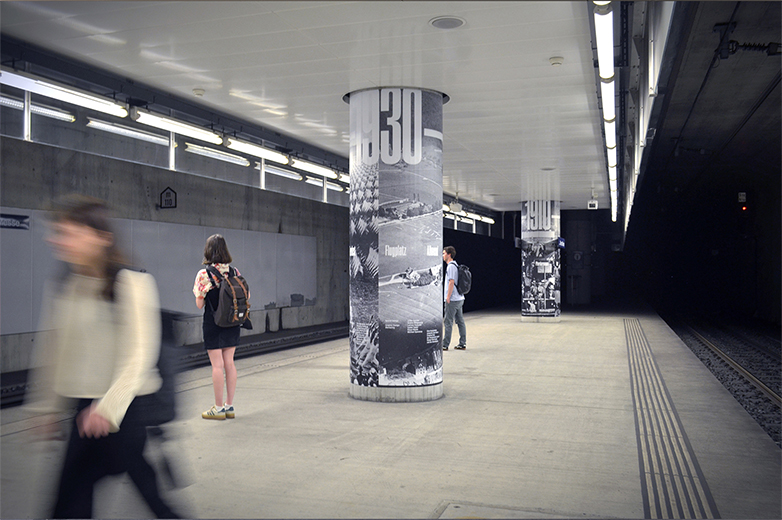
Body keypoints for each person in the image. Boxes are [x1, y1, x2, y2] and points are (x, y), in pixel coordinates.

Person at [28, 194, 179, 518]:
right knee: (76, 499)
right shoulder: (67, 285)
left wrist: (108, 408)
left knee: (77, 497)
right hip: (85, 409)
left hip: (124, 410)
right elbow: (54, 351)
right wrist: (46, 407)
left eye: (68, 233)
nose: (56, 240)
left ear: (101, 237)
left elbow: (139, 355)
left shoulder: (132, 282)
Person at [193, 234, 243, 420]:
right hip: (232, 322)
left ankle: (218, 408)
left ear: (208, 251)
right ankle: (229, 406)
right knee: (229, 363)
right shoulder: (235, 272)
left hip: (213, 323)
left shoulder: (204, 274)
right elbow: (245, 296)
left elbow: (199, 304)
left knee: (217, 366)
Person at [442, 246, 466, 350]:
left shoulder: (451, 266)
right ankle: (462, 343)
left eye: (444, 253)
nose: (443, 255)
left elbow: (451, 282)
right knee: (460, 321)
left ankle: (445, 344)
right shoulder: (455, 265)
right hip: (459, 298)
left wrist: (448, 297)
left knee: (448, 322)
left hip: (453, 299)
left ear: (449, 254)